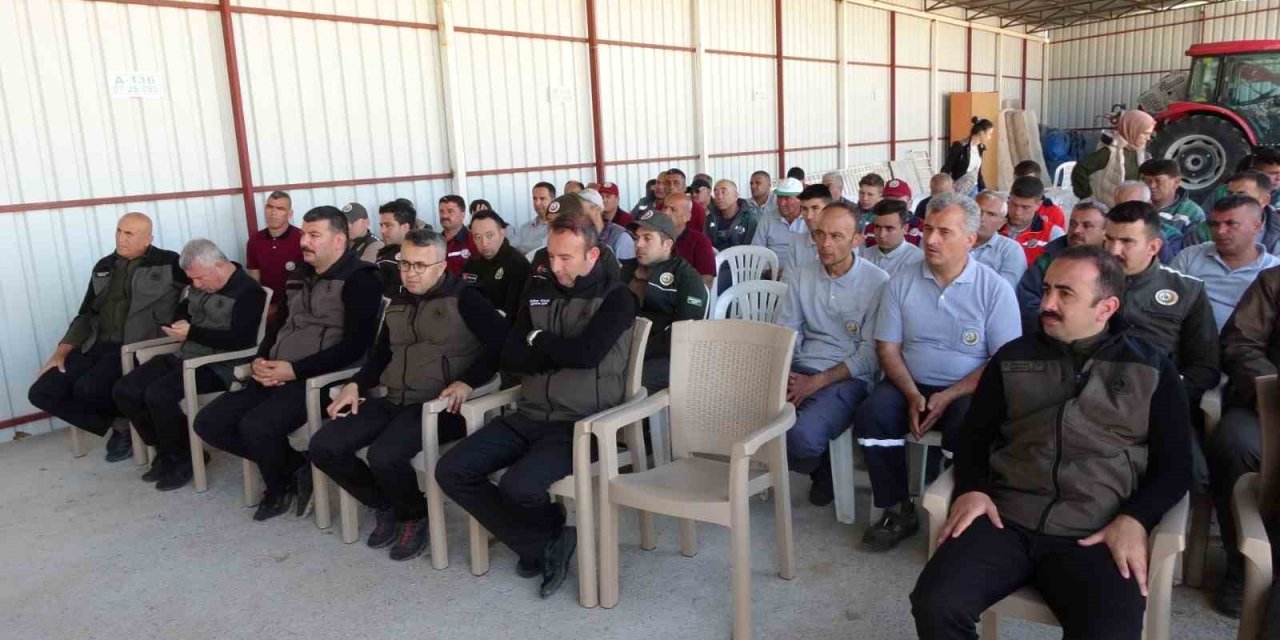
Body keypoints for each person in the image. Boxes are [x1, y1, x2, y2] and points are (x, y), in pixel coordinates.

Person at [911, 245, 1192, 640]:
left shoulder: (1151, 369)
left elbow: (1177, 465)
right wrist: (973, 488)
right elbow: (974, 438)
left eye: (1065, 294)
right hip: (1005, 519)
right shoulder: (1013, 358)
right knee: (936, 604)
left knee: (1110, 631)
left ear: (1106, 308)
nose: (1047, 303)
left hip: (1096, 528)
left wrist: (1135, 518)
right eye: (1046, 290)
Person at [435, 210, 637, 599]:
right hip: (527, 413)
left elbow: (586, 354)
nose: (554, 266)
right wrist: (549, 346)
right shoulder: (539, 287)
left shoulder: (616, 298)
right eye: (550, 256)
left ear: (592, 256)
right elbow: (510, 354)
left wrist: (538, 339)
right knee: (452, 470)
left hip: (582, 423)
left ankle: (540, 539)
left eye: (566, 258)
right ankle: (545, 540)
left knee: (518, 486)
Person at [309, 228, 507, 561]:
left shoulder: (466, 299)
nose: (410, 273)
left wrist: (468, 382)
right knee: (324, 446)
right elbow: (381, 353)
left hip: (441, 406)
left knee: (385, 455)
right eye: (405, 264)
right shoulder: (398, 299)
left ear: (441, 266)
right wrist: (356, 384)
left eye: (420, 265)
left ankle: (413, 514)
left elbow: (501, 343)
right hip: (394, 397)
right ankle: (384, 503)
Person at [853, 193, 1021, 552]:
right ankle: (897, 507)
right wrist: (913, 394)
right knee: (873, 415)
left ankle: (957, 512)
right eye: (928, 229)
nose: (930, 239)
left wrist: (951, 393)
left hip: (968, 389)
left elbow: (1002, 360)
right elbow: (888, 347)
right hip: (908, 381)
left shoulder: (994, 289)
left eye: (944, 232)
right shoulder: (902, 281)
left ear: (970, 239)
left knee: (970, 425)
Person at [194, 206, 382, 522]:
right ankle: (294, 467)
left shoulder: (360, 279)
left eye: (314, 235)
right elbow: (278, 326)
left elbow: (355, 348)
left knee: (256, 426)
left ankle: (278, 486)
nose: (304, 241)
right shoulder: (299, 275)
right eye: (304, 234)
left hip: (321, 380)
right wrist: (260, 360)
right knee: (209, 423)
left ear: (338, 241)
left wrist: (294, 370)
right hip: (276, 372)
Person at [29, 212, 187, 463]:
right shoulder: (104, 266)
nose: (121, 239)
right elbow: (85, 313)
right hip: (95, 344)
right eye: (119, 231)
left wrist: (185, 319)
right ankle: (121, 423)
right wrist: (60, 352)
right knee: (42, 391)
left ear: (148, 239)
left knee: (87, 388)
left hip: (135, 346)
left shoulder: (169, 262)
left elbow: (204, 282)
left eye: (129, 234)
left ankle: (124, 429)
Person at [112, 239, 265, 490]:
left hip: (219, 365)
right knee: (125, 389)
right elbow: (181, 310)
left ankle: (183, 459)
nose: (196, 284)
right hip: (187, 354)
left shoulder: (249, 292)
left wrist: (192, 332)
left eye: (200, 278)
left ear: (219, 265)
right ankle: (166, 448)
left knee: (158, 395)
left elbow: (241, 340)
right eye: (192, 279)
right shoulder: (201, 281)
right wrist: (180, 324)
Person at [778, 203, 888, 506]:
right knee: (740, 416)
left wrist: (816, 383)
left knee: (800, 436)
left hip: (847, 376)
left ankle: (821, 467)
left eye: (837, 237)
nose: (825, 244)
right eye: (820, 234)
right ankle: (821, 463)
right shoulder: (800, 276)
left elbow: (871, 354)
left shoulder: (877, 282)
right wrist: (786, 372)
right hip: (801, 367)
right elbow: (786, 331)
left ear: (857, 240)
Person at [1103, 201, 1219, 409]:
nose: (1113, 250)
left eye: (1126, 241)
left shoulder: (1187, 291)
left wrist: (1166, 392)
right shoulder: (1087, 282)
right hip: (1092, 394)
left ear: (1153, 247)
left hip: (1158, 400)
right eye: (1109, 239)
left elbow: (1205, 367)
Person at [1213, 262, 1280, 617]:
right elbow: (1240, 343)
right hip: (1266, 405)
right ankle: (1243, 564)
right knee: (1236, 446)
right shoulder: (1273, 281)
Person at [623, 210, 707, 393]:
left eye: (647, 238)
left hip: (666, 357)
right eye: (637, 238)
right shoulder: (625, 270)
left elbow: (684, 332)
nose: (639, 244)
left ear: (667, 244)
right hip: (622, 350)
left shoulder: (686, 277)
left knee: (624, 385)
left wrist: (635, 350)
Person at [1170, 195, 1280, 330]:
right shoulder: (1190, 256)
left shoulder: (1273, 271)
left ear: (1256, 226)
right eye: (1214, 224)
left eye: (1231, 223)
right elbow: (1166, 304)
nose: (1220, 231)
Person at [1016, 200, 1109, 333]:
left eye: (1087, 226)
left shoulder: (1114, 262)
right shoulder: (1048, 258)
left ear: (1105, 232)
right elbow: (1027, 298)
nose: (1076, 230)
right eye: (1073, 224)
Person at [1072, 110, 1156, 206]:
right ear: (1132, 129)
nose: (1148, 138)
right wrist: (1086, 197)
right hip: (1109, 210)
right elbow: (1080, 169)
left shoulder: (1140, 152)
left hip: (1130, 207)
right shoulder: (1109, 152)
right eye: (1145, 133)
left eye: (1149, 134)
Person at [462, 210, 532, 320]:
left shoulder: (517, 265)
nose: (484, 243)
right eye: (477, 237)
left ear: (502, 233)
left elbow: (516, 313)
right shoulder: (471, 265)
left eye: (489, 235)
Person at [245, 191, 302, 324]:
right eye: (269, 207)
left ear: (290, 213)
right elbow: (254, 281)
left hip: (296, 308)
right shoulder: (255, 240)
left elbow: (310, 280)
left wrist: (281, 307)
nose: (273, 212)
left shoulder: (301, 238)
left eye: (280, 208)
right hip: (267, 308)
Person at [1139, 158, 1208, 261]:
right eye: (1147, 181)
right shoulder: (1136, 204)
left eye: (1158, 181)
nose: (1152, 186)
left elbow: (1192, 252)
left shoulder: (1192, 213)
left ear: (1176, 182)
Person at [1002, 176, 1065, 265]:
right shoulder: (993, 227)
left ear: (1038, 205)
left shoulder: (1053, 234)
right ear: (1009, 199)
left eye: (1025, 207)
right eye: (1014, 204)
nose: (1017, 212)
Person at [970, 191, 1027, 288]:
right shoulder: (952, 242)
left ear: (1002, 223)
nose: (982, 218)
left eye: (991, 214)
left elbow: (1004, 292)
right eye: (978, 211)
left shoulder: (1010, 250)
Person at [858, 199, 925, 278]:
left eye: (889, 228)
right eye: (877, 227)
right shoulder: (863, 255)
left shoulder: (918, 260)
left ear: (905, 229)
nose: (882, 235)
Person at [752, 177, 805, 273]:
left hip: (803, 275)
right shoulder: (767, 219)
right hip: (771, 276)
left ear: (800, 199)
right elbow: (757, 251)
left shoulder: (809, 220)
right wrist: (770, 271)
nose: (781, 203)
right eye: (779, 197)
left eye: (787, 198)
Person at [1221, 170, 1280, 255]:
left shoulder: (1277, 233)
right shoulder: (1205, 230)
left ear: (1264, 200)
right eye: (1229, 194)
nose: (1232, 200)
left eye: (1242, 195)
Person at [665, 193, 716, 286]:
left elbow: (706, 280)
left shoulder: (700, 242)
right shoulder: (653, 237)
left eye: (673, 209)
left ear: (687, 216)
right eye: (665, 208)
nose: (666, 213)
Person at [578, 188, 635, 267]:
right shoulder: (577, 236)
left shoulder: (620, 237)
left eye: (581, 209)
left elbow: (626, 274)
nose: (577, 214)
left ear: (596, 209)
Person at [942, 118, 995, 195]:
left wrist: (983, 189)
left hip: (974, 187)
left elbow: (978, 172)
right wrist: (944, 188)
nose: (990, 137)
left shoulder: (980, 148)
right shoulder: (959, 146)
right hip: (959, 189)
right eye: (989, 134)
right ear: (982, 133)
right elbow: (946, 169)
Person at [787, 184, 834, 274]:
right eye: (804, 209)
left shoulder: (844, 242)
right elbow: (788, 280)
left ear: (829, 209)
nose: (809, 216)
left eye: (815, 208)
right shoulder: (796, 242)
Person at [375, 198, 416, 297]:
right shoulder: (384, 257)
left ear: (405, 227)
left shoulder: (427, 254)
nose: (382, 231)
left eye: (388, 225)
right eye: (381, 226)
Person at [705, 179, 759, 251]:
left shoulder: (749, 219)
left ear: (736, 195)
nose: (719, 197)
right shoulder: (710, 218)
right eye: (716, 193)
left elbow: (752, 249)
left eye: (724, 192)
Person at [1013, 160, 1067, 229]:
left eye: (1029, 181)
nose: (1024, 185)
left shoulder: (1053, 212)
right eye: (1019, 181)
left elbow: (1059, 238)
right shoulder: (1005, 209)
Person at [512, 182, 557, 255]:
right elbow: (511, 248)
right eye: (534, 199)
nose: (537, 203)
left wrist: (520, 248)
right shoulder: (524, 228)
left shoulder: (558, 226)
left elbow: (542, 246)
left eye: (542, 199)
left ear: (553, 201)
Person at [438, 195, 479, 275]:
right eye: (441, 211)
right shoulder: (434, 243)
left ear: (463, 214)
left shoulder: (474, 241)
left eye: (450, 211)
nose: (444, 216)